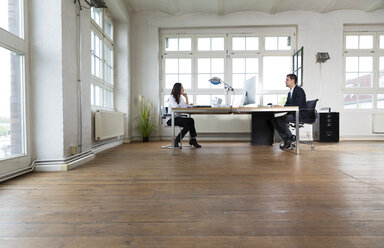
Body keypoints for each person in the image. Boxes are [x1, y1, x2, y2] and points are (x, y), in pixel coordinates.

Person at [271, 74, 307, 150]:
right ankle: (286, 139)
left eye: (287, 80)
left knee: (281, 120)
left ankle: (291, 138)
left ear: (292, 81)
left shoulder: (299, 90)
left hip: (299, 114)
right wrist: (281, 107)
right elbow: (287, 105)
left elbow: (298, 105)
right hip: (292, 113)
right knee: (273, 119)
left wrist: (284, 107)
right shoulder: (289, 93)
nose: (285, 81)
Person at [167, 82, 201, 148]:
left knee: (190, 122)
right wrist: (182, 104)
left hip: (177, 118)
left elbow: (186, 106)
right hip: (171, 119)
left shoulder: (180, 97)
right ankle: (191, 140)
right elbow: (175, 107)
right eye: (182, 87)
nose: (183, 89)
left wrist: (186, 97)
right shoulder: (172, 97)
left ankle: (181, 140)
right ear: (178, 89)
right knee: (190, 122)